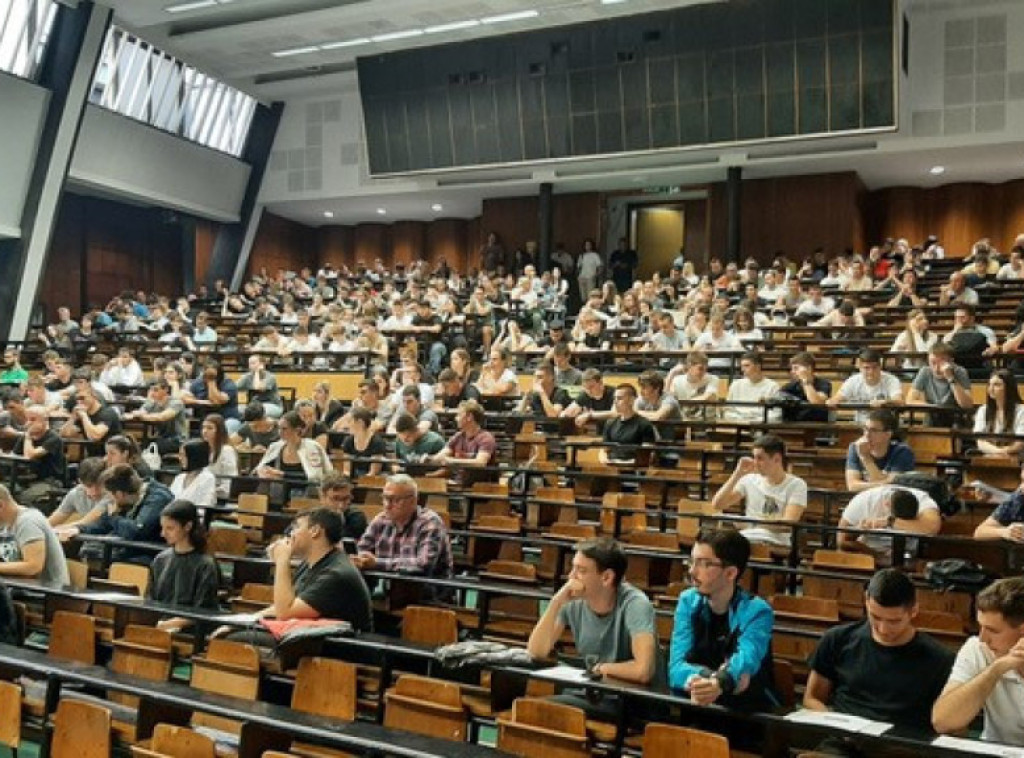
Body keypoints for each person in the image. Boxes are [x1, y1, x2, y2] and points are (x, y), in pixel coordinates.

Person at [527, 537, 658, 710]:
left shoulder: (635, 604)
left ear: (606, 577)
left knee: (539, 710)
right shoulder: (572, 601)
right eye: (572, 567)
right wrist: (555, 603)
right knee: (533, 708)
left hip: (630, 700)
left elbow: (643, 670)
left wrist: (603, 668)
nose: (571, 576)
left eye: (581, 570)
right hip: (594, 692)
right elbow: (537, 652)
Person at [224, 508, 373, 644]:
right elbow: (287, 605)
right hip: (312, 635)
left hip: (341, 646)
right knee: (232, 632)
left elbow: (285, 613)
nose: (290, 534)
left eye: (296, 527)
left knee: (233, 640)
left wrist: (282, 561)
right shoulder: (310, 563)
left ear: (315, 531)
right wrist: (246, 620)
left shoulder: (337, 573)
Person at [669, 529, 777, 711]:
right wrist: (706, 679)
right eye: (691, 561)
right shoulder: (687, 601)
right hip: (699, 704)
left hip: (746, 713)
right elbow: (676, 668)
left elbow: (746, 660)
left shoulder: (757, 611)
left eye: (704, 564)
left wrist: (720, 682)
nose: (692, 571)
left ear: (730, 573)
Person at [932, 577, 1024, 744]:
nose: (983, 638)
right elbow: (943, 722)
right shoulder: (977, 648)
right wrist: (997, 668)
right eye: (980, 627)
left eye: (992, 630)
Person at [353, 474, 453, 582]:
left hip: (427, 591)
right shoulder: (381, 519)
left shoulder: (429, 522)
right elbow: (361, 549)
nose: (387, 505)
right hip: (390, 587)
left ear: (413, 501)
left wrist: (377, 563)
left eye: (395, 500)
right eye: (385, 498)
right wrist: (360, 559)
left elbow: (423, 564)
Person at [711, 434, 807, 547]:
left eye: (760, 458)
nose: (755, 463)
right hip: (746, 537)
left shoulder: (797, 485)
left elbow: (787, 524)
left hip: (775, 540)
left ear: (777, 459)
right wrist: (737, 473)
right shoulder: (749, 479)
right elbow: (718, 504)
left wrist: (751, 523)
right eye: (754, 457)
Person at [69, 464, 175, 563]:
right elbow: (104, 523)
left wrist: (114, 517)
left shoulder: (158, 498)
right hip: (128, 549)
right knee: (86, 550)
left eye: (110, 494)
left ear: (119, 494)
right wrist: (79, 529)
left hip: (151, 553)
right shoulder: (124, 501)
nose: (110, 499)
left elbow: (137, 531)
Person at [147, 500, 221, 633]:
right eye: (162, 528)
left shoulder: (206, 565)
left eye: (170, 528)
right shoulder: (160, 560)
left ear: (187, 526)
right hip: (161, 625)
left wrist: (171, 624)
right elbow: (151, 600)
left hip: (192, 631)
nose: (163, 534)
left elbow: (204, 610)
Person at [837, 486, 941, 563]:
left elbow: (932, 529)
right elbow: (841, 542)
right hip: (867, 558)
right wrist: (874, 554)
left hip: (907, 560)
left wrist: (890, 521)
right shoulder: (864, 501)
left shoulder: (924, 503)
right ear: (886, 505)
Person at [0, 485, 69, 584]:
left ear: (1, 505)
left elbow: (33, 567)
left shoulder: (28, 521)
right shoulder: (5, 524)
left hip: (44, 592)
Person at [427, 400, 497, 487]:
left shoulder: (486, 438)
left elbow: (480, 463)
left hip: (477, 487)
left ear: (469, 417)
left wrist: (452, 461)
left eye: (459, 415)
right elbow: (440, 456)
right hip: (455, 484)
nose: (456, 418)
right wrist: (428, 458)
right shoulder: (458, 437)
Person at [845, 409, 915, 492]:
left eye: (873, 430)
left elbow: (892, 489)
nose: (867, 434)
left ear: (888, 434)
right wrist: (884, 482)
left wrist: (865, 457)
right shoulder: (855, 447)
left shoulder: (902, 452)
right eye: (865, 429)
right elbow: (852, 487)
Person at [828, 349, 904, 425]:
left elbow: (899, 401)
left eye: (874, 367)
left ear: (880, 366)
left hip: (886, 425)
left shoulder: (892, 380)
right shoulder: (852, 381)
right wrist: (832, 401)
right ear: (860, 368)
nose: (871, 372)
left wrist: (885, 402)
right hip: (861, 424)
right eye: (866, 368)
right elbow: (837, 398)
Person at [11, 404, 66, 509]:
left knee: (23, 498)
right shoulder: (25, 437)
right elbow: (14, 456)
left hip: (49, 481)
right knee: (7, 492)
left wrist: (28, 437)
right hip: (25, 479)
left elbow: (30, 455)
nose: (28, 423)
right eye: (27, 419)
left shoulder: (54, 438)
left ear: (44, 421)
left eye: (33, 419)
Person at [256, 410, 333, 484]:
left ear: (297, 430)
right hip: (279, 494)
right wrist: (264, 472)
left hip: (307, 494)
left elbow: (315, 477)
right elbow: (260, 469)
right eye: (279, 428)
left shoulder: (311, 447)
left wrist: (283, 474)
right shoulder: (275, 446)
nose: (280, 432)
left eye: (284, 429)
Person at [906, 343, 973, 426]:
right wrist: (933, 407)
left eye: (941, 363)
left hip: (955, 417)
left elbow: (967, 405)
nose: (936, 368)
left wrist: (951, 378)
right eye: (933, 363)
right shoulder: (925, 371)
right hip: (932, 415)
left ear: (951, 362)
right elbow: (910, 400)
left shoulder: (960, 372)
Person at [123, 378, 188, 455]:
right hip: (161, 438)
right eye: (151, 390)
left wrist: (142, 416)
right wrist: (135, 414)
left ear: (166, 389)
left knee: (150, 449)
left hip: (177, 440)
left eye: (156, 390)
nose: (152, 393)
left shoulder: (176, 402)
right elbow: (140, 412)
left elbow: (162, 417)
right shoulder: (152, 402)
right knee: (136, 447)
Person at [972, 369, 1024, 458]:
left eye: (997, 385)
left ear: (1008, 387)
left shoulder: (1021, 411)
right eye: (989, 384)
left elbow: (1020, 442)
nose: (991, 389)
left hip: (1016, 458)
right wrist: (999, 452)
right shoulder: (983, 410)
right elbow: (980, 442)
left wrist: (1006, 451)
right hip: (989, 457)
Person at [599, 384, 657, 465]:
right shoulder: (610, 423)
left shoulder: (644, 424)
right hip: (612, 465)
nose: (615, 402)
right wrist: (604, 459)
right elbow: (604, 449)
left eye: (619, 398)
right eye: (614, 398)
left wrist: (628, 464)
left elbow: (647, 455)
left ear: (631, 400)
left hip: (633, 468)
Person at [59, 383, 121, 457]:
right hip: (93, 458)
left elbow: (95, 436)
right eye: (77, 399)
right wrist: (73, 418)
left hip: (112, 456)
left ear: (93, 396)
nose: (79, 402)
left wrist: (84, 416)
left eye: (82, 398)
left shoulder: (107, 413)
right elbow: (65, 434)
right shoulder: (83, 415)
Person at [48, 457, 109, 528]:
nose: (94, 492)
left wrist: (59, 529)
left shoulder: (112, 495)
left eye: (99, 485)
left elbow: (87, 522)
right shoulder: (76, 493)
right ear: (80, 482)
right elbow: (50, 522)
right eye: (89, 486)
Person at [723, 352, 780, 423]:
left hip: (760, 425)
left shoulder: (772, 386)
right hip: (738, 423)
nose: (742, 369)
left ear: (758, 366)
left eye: (747, 366)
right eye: (742, 366)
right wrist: (741, 420)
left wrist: (755, 421)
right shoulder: (736, 385)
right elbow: (728, 409)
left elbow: (776, 413)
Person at [776, 352, 831, 423]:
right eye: (792, 369)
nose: (792, 372)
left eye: (796, 368)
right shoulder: (789, 386)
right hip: (794, 426)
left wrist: (805, 381)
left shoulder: (824, 383)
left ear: (809, 368)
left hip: (817, 426)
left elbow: (817, 403)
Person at [974, 464, 1024, 542]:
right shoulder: (1018, 498)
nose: (1022, 487)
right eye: (1023, 481)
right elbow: (979, 532)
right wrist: (1005, 532)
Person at [317, 472, 367, 541]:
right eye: (335, 498)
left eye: (346, 498)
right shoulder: (313, 518)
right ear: (322, 497)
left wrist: (340, 523)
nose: (341, 505)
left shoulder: (357, 518)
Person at [340, 407, 385, 479]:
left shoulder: (377, 442)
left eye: (349, 421)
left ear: (360, 422)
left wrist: (359, 482)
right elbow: (347, 470)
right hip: (354, 477)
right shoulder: (348, 441)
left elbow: (373, 472)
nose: (346, 425)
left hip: (372, 481)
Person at [169, 440, 217, 507]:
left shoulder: (208, 478)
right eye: (179, 455)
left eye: (184, 455)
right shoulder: (179, 477)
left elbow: (205, 505)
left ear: (194, 457)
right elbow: (169, 500)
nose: (180, 458)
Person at [202, 414, 239, 499]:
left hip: (219, 497)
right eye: (203, 427)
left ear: (219, 431)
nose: (205, 431)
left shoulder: (227, 450)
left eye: (209, 428)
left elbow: (229, 482)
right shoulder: (203, 449)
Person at [235, 354, 283, 418]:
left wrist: (257, 372)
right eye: (249, 364)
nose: (250, 366)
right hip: (252, 406)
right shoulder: (246, 376)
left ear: (262, 364)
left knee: (257, 412)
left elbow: (258, 387)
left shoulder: (270, 376)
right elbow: (234, 388)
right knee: (236, 411)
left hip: (272, 405)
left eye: (253, 363)